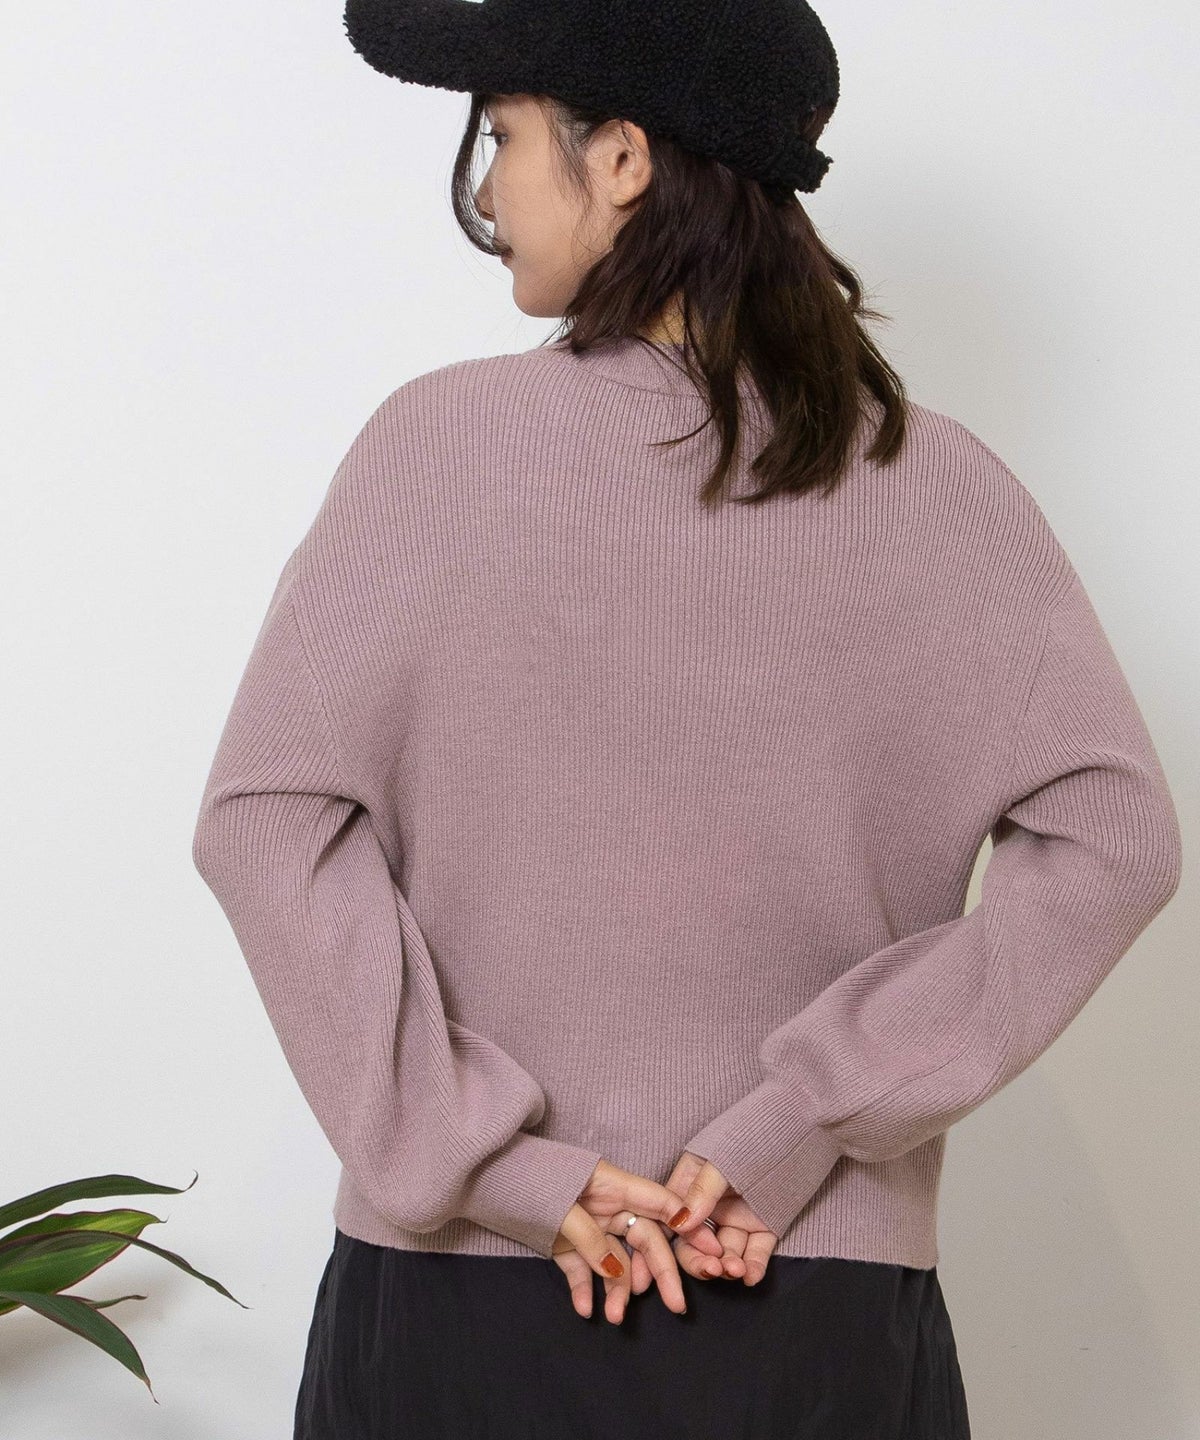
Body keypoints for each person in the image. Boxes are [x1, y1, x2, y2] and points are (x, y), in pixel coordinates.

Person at [190, 1, 1183, 1436]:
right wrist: (805, 1118)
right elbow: (1118, 839)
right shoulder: (934, 484)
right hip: (808, 1296)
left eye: (505, 137)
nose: (491, 193)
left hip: (465, 1305)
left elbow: (264, 821)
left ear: (623, 159)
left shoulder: (438, 449)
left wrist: (493, 1162)